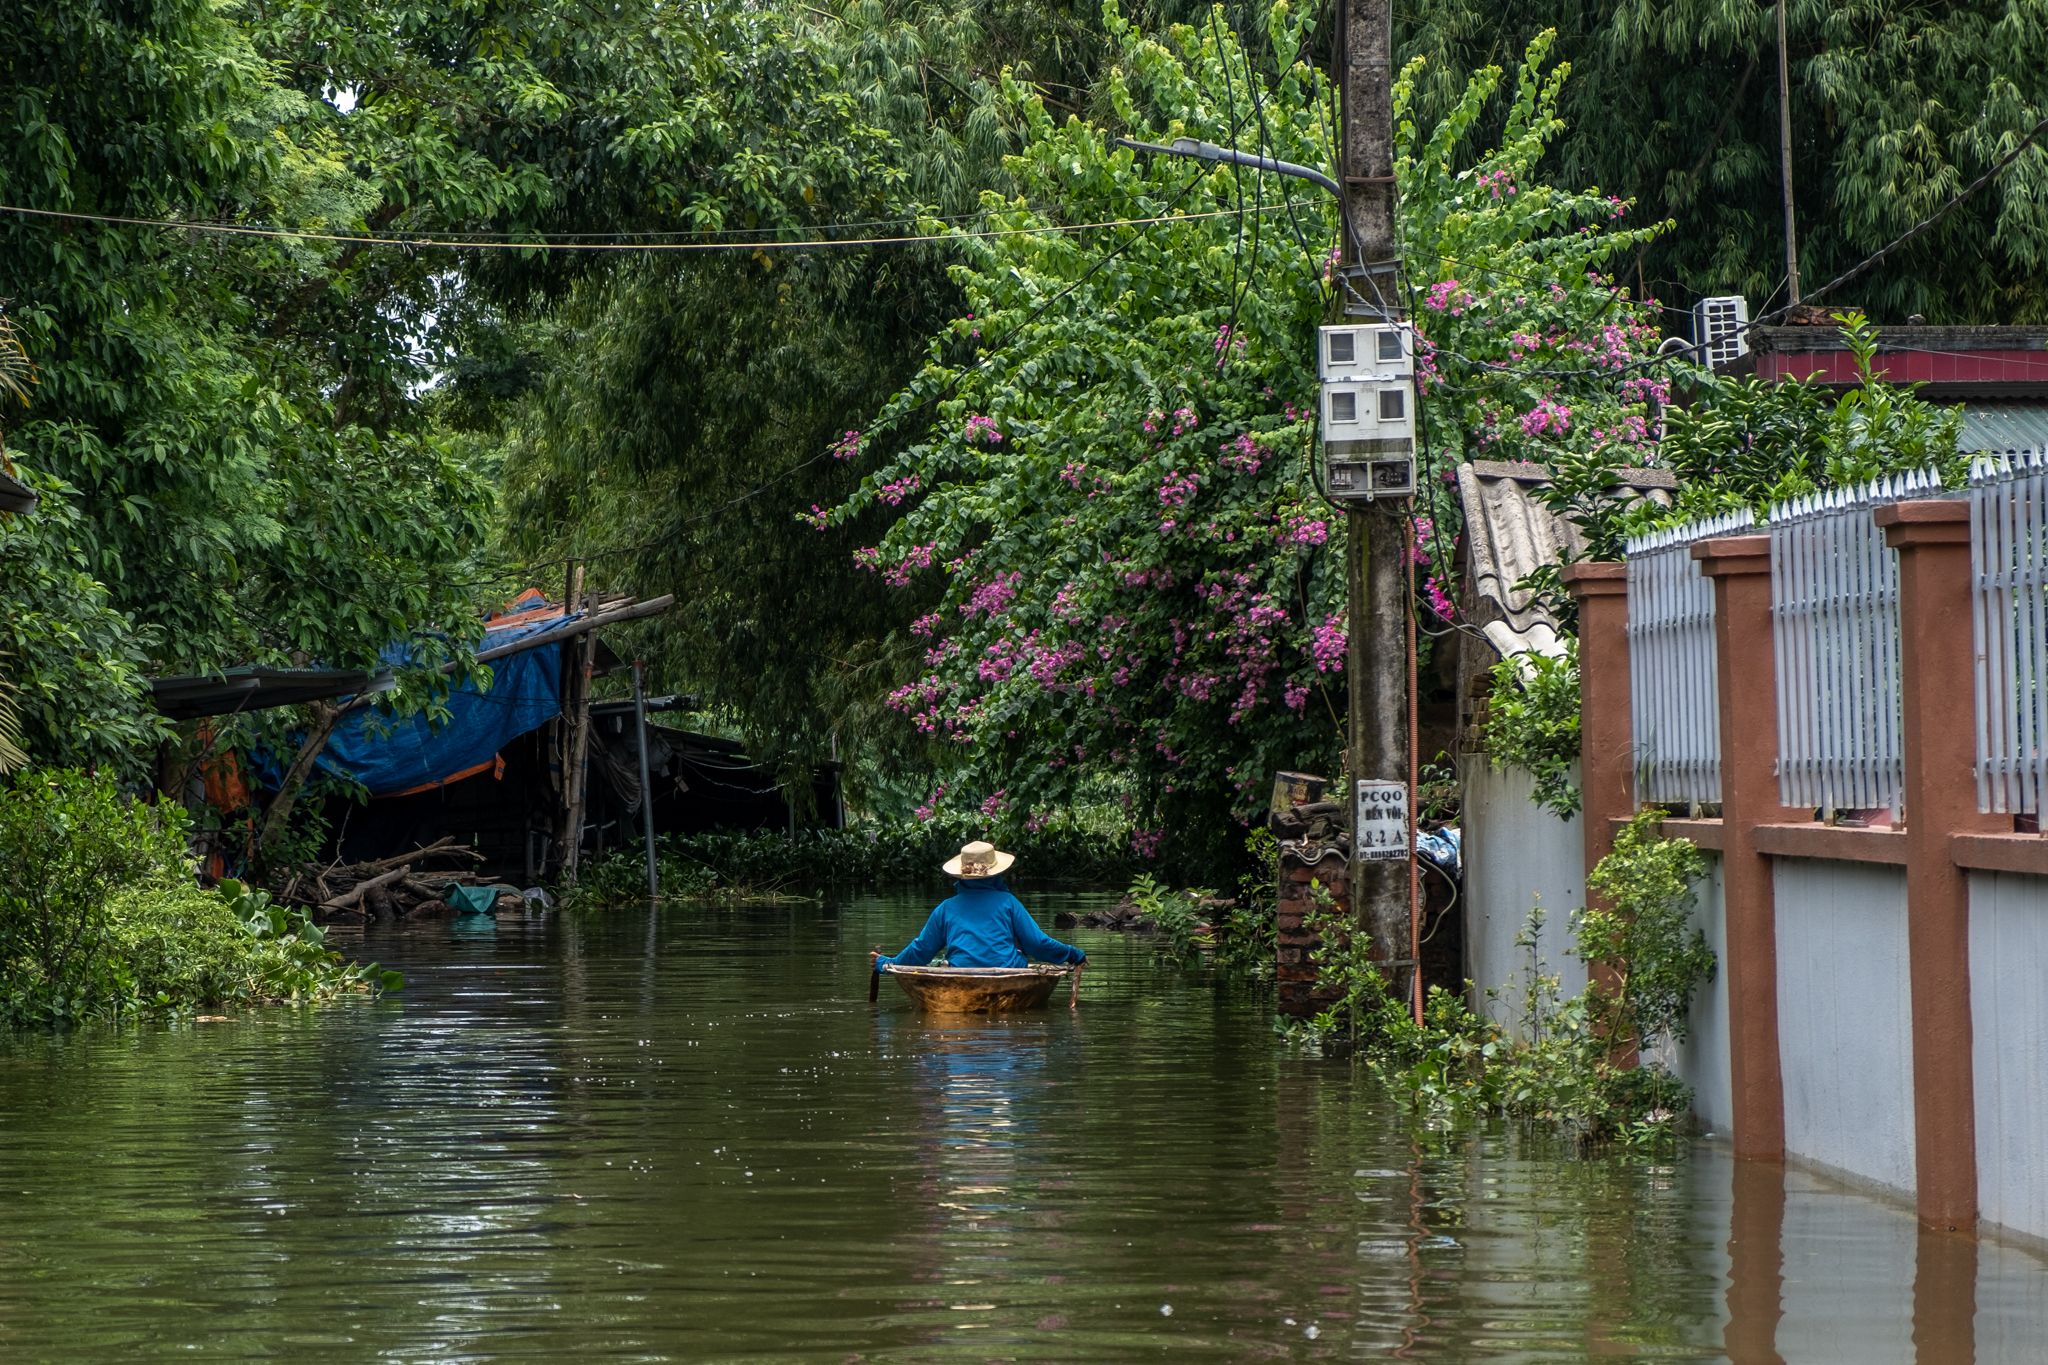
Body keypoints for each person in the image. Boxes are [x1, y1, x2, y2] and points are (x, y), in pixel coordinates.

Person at [870, 841, 1087, 973]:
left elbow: (921, 951)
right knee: (1019, 946)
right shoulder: (1009, 903)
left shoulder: (945, 909)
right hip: (1005, 974)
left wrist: (887, 964)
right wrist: (1073, 953)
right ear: (996, 873)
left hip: (960, 974)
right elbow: (1038, 945)